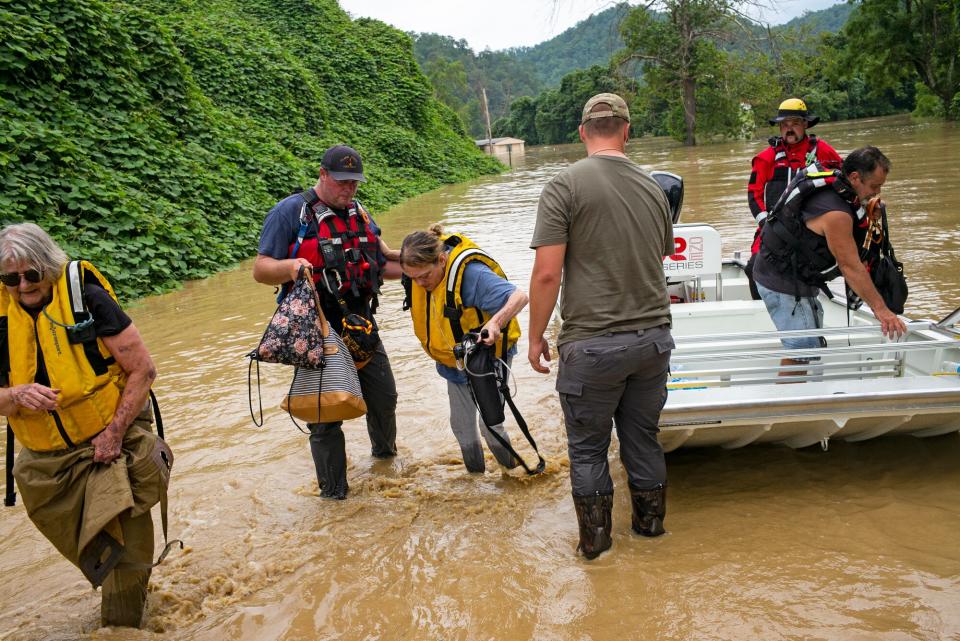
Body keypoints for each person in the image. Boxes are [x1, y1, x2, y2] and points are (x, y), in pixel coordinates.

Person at [0, 223, 172, 628]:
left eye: (31, 275)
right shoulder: (1, 314)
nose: (22, 286)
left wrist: (113, 433)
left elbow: (143, 370)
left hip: (111, 441)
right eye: (10, 278)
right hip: (47, 464)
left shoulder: (85, 297)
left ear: (49, 266)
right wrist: (15, 396)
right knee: (95, 549)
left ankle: (122, 629)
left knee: (127, 553)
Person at [527, 93, 675, 560]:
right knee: (643, 441)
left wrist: (534, 337)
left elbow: (548, 273)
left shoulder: (563, 186)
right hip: (652, 341)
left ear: (582, 132)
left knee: (589, 452)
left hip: (593, 346)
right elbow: (660, 255)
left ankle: (597, 551)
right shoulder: (655, 188)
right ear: (626, 130)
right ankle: (651, 535)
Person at [253, 145, 401, 500]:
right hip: (316, 329)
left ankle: (385, 464)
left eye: (354, 183)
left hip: (360, 325)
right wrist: (289, 268)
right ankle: (334, 497)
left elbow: (382, 263)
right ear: (322, 175)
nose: (348, 189)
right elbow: (260, 268)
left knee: (384, 398)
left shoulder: (359, 213)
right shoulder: (292, 212)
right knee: (324, 416)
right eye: (341, 182)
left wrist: (426, 269)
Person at [752, 145, 907, 375]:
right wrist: (881, 310)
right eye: (874, 186)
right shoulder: (836, 214)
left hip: (785, 270)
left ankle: (801, 398)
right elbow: (850, 266)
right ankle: (787, 405)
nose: (877, 193)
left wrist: (867, 210)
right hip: (782, 282)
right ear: (855, 177)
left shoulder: (838, 186)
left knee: (809, 348)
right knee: (801, 355)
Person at [399, 224, 528, 473]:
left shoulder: (472, 275)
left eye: (424, 276)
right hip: (454, 360)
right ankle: (475, 479)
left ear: (442, 259)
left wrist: (495, 322)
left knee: (490, 426)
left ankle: (513, 476)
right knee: (461, 426)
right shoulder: (417, 271)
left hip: (485, 358)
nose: (419, 282)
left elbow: (519, 297)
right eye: (413, 278)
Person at [745, 98, 842, 298]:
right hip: (772, 227)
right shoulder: (766, 158)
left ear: (805, 124)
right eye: (784, 125)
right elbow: (754, 195)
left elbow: (846, 182)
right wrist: (766, 224)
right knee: (754, 268)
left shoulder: (823, 152)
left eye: (795, 123)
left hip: (811, 228)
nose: (789, 129)